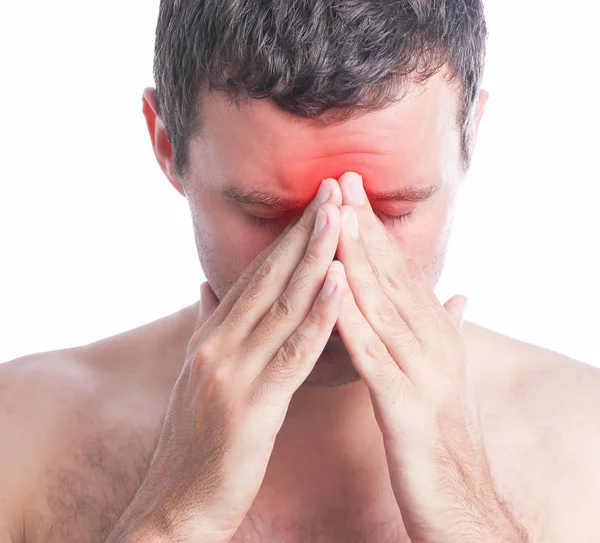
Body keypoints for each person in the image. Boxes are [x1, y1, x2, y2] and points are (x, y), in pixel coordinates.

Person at [1, 0, 598, 541]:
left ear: (469, 137)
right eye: (265, 213)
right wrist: (171, 521)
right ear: (166, 144)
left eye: (391, 211)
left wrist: (469, 517)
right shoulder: (20, 433)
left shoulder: (584, 443)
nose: (332, 264)